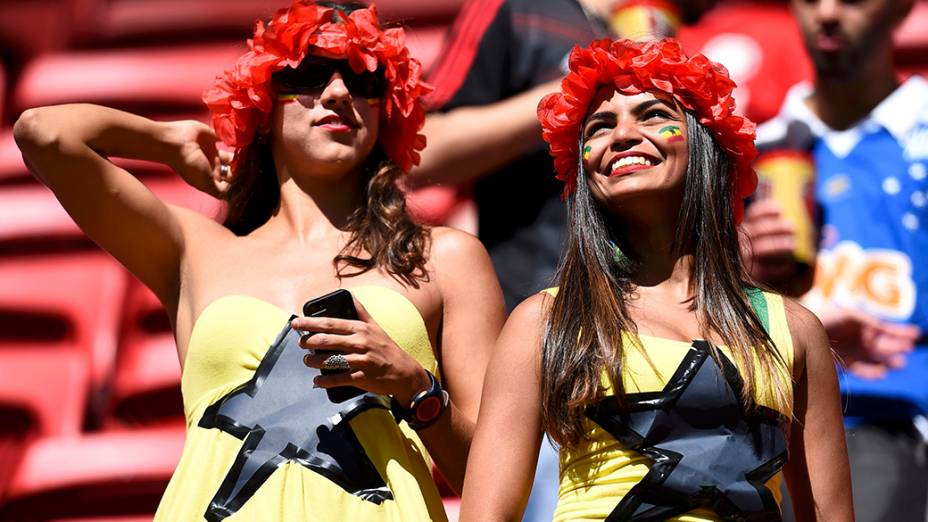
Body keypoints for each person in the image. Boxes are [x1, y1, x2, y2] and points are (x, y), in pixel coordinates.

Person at [13, 1, 505, 520]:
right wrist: (167, 140)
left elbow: (500, 482)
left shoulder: (445, 259)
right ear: (262, 104)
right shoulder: (193, 249)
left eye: (365, 79)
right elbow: (43, 133)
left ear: (388, 111)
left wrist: (414, 387)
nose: (338, 92)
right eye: (310, 73)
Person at [459, 38, 854, 521]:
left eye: (650, 115)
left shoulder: (794, 329)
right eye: (600, 126)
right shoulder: (543, 321)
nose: (621, 136)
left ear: (705, 140)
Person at [741, 0, 927, 519]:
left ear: (902, 10)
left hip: (891, 424)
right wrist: (742, 275)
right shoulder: (747, 150)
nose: (826, 12)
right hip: (756, 429)